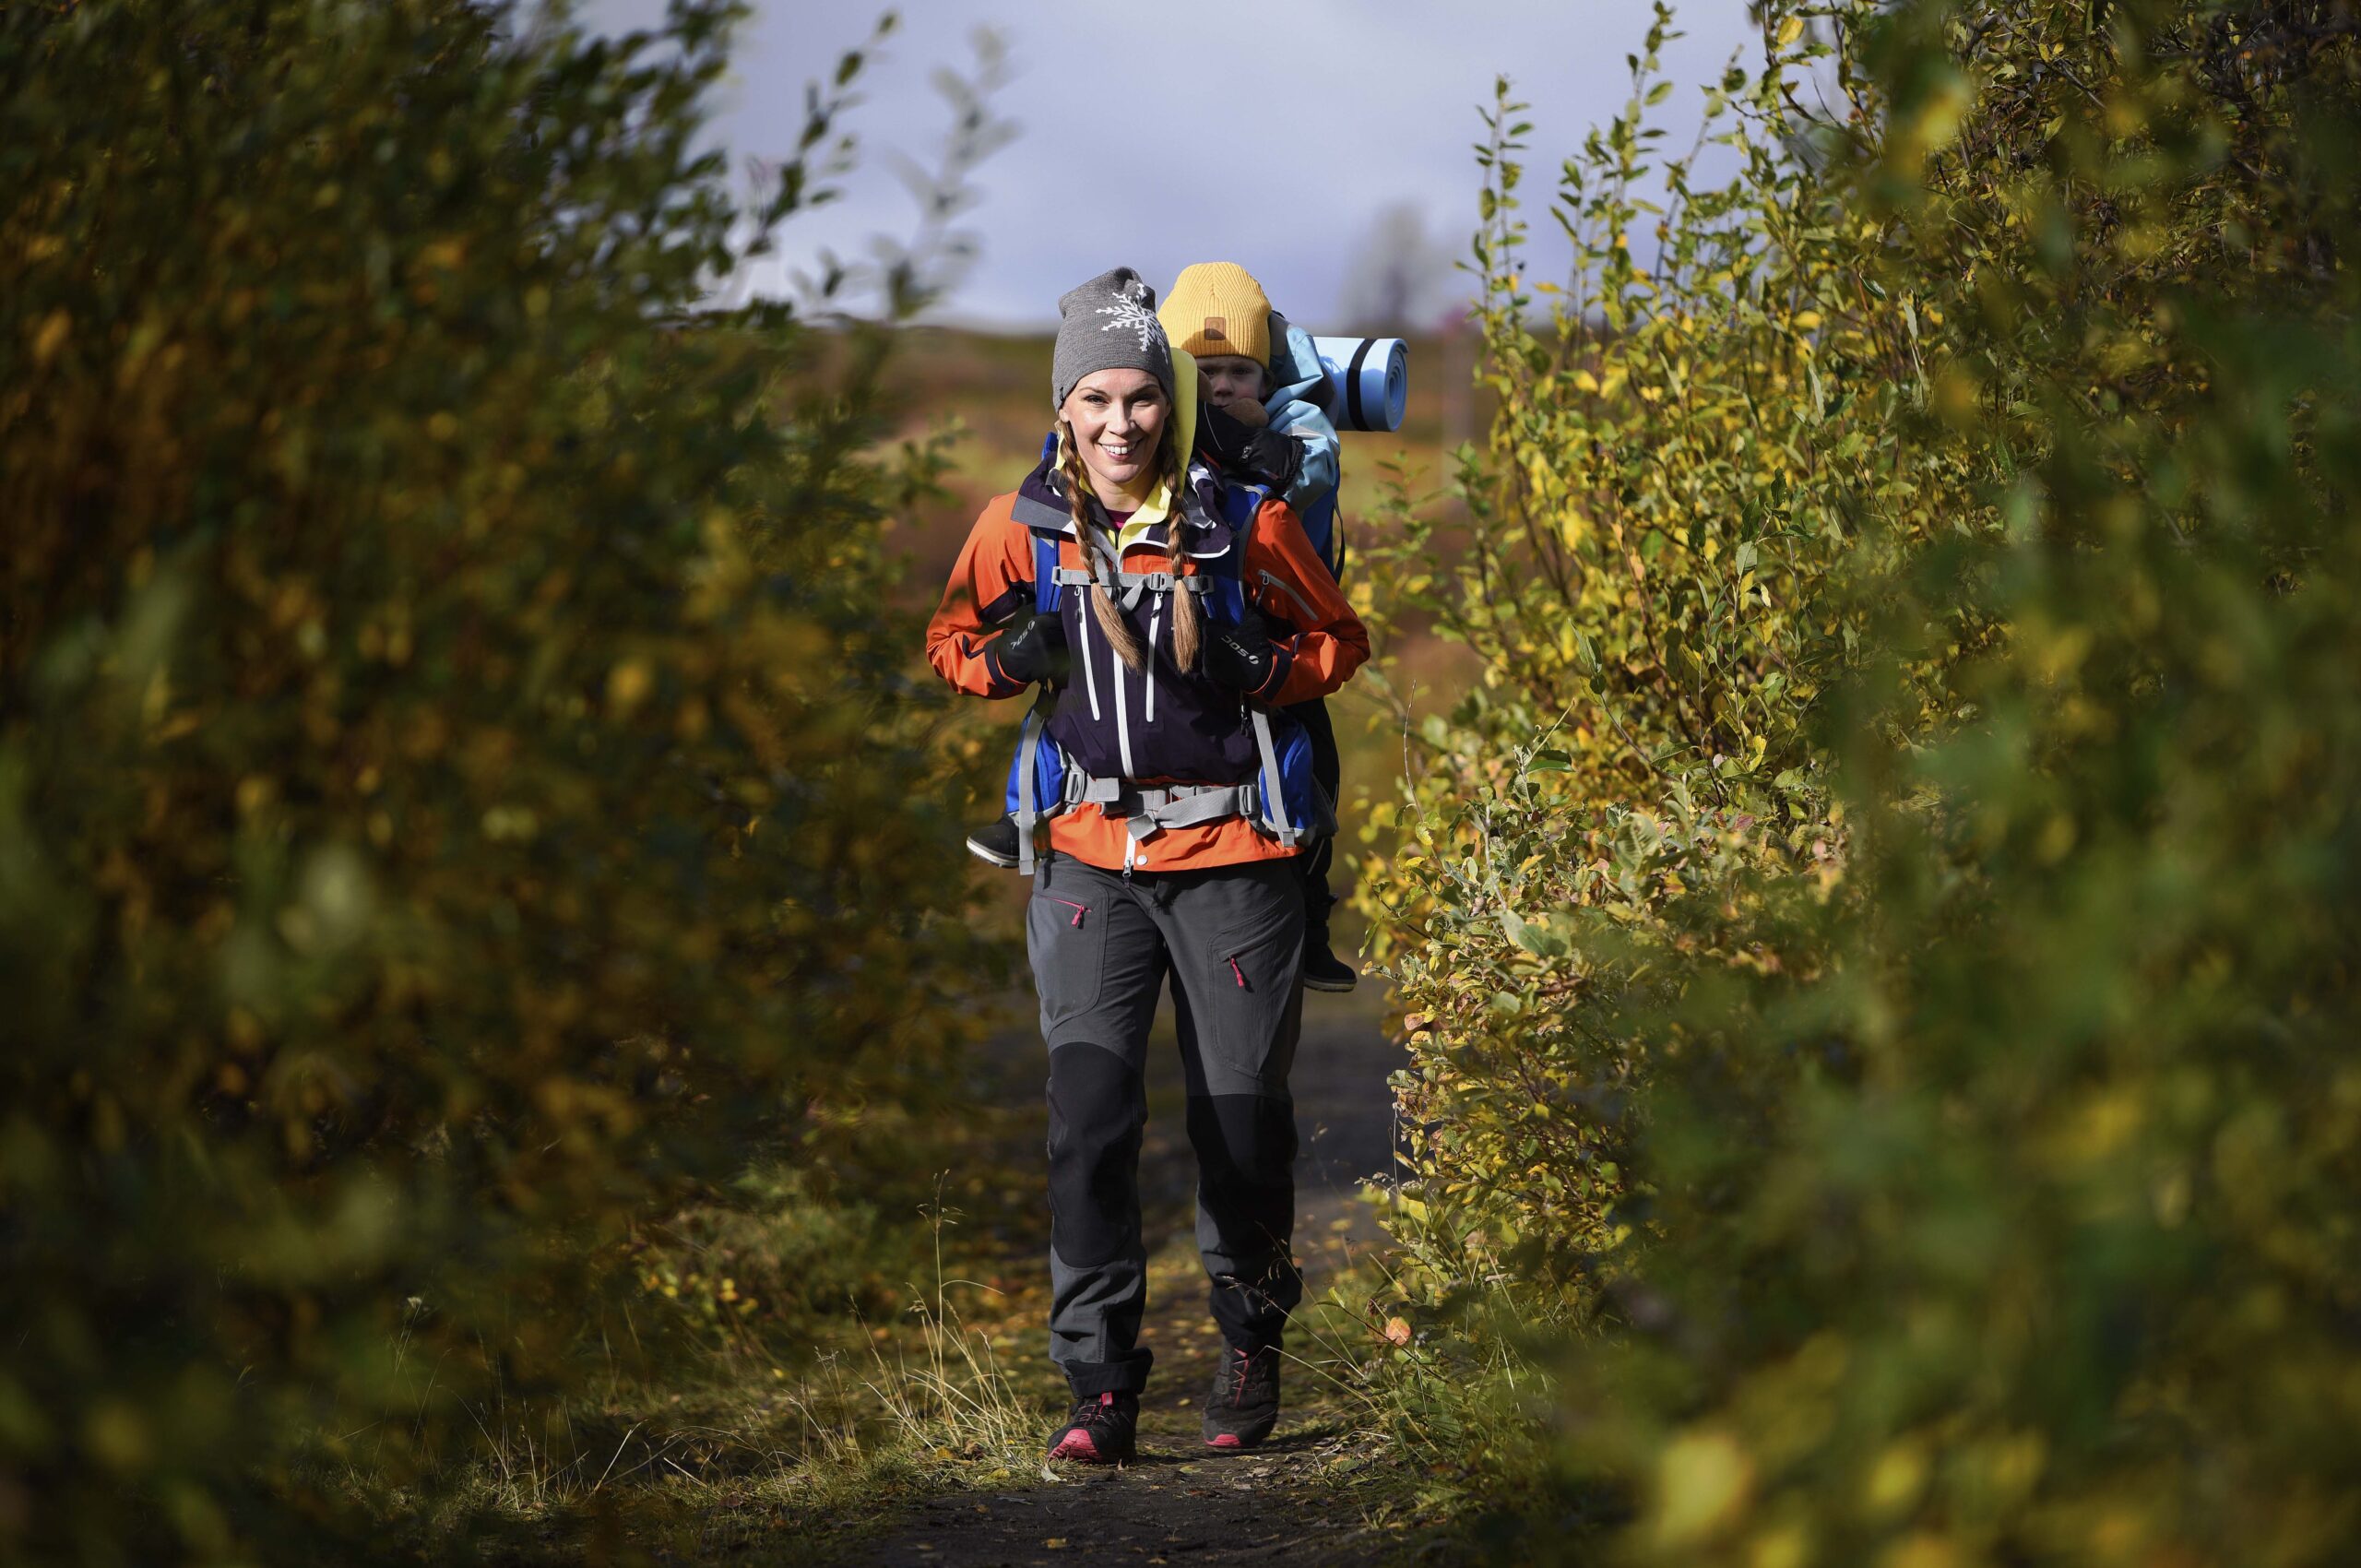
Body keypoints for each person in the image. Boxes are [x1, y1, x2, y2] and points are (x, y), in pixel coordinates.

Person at [925, 267, 1369, 1465]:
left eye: (1139, 399)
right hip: (1086, 862)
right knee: (1086, 1124)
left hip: (1233, 856)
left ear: (1166, 402)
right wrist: (1008, 658)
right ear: (1062, 407)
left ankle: (1247, 1340)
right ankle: (1101, 1389)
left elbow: (1337, 639)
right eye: (1093, 401)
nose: (1119, 424)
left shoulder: (1244, 520)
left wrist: (1259, 671)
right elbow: (950, 644)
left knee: (1239, 1130)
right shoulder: (1021, 526)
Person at [963, 261, 1361, 993]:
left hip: (1264, 636)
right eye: (1201, 374)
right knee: (1071, 711)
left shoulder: (1291, 425)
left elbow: (1305, 473)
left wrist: (1229, 436)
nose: (1221, 388)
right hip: (1147, 659)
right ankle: (1023, 816)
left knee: (1313, 753)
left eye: (1240, 371)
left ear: (1268, 379)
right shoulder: (1146, 422)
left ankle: (1309, 909)